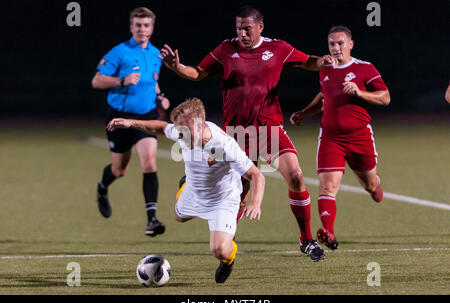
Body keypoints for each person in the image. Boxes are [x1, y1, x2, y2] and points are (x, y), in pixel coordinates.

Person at [158, 5, 336, 261]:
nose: (241, 33)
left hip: (269, 130)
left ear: (260, 27)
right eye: (238, 28)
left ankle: (306, 240)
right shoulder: (226, 50)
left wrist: (323, 62)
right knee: (238, 198)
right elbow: (198, 73)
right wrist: (177, 67)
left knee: (296, 175)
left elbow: (308, 61)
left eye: (247, 28)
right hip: (237, 135)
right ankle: (226, 251)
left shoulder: (278, 48)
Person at [107, 98, 265, 283]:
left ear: (200, 125)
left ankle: (229, 261)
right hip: (194, 190)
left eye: (184, 132)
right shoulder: (184, 130)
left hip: (222, 199)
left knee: (220, 250)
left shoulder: (224, 145)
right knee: (179, 217)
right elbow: (160, 127)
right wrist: (130, 123)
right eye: (178, 131)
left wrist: (255, 203)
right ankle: (185, 185)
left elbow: (256, 175)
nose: (180, 136)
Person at [290, 25, 391, 250]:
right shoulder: (325, 69)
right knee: (327, 188)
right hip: (330, 138)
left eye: (340, 43)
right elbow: (324, 95)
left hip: (359, 137)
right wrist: (304, 113)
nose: (336, 48)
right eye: (332, 44)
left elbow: (385, 98)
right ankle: (329, 232)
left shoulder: (365, 68)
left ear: (351, 44)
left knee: (370, 186)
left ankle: (374, 185)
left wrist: (359, 92)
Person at [91, 7, 170, 237]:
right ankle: (103, 188)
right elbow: (96, 81)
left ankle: (152, 220)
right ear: (131, 27)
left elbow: (152, 83)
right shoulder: (119, 52)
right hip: (119, 118)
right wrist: (122, 80)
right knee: (120, 169)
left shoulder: (157, 54)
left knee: (149, 162)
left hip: (146, 117)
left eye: (146, 25)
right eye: (138, 25)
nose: (142, 29)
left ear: (152, 28)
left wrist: (160, 96)